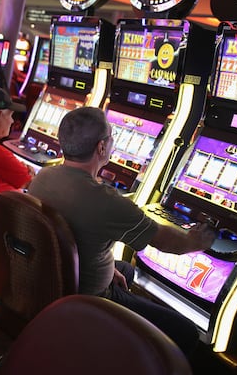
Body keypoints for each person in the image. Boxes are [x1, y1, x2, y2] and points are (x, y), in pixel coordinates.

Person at [25, 106, 216, 355]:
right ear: (102, 148)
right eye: (112, 137)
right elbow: (170, 243)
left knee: (125, 270)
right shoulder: (108, 202)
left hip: (49, 280)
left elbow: (72, 234)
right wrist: (200, 240)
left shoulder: (44, 177)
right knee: (185, 332)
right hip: (87, 295)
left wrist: (106, 267)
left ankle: (111, 343)